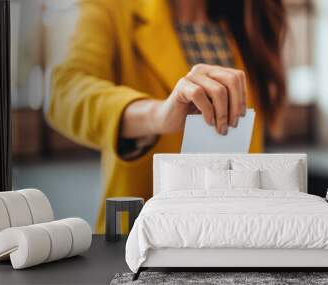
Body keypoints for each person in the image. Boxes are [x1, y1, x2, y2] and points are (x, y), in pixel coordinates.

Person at [46, 0, 287, 233]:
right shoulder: (111, 7)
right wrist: (158, 114)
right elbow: (63, 92)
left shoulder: (244, 16)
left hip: (235, 231)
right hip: (145, 239)